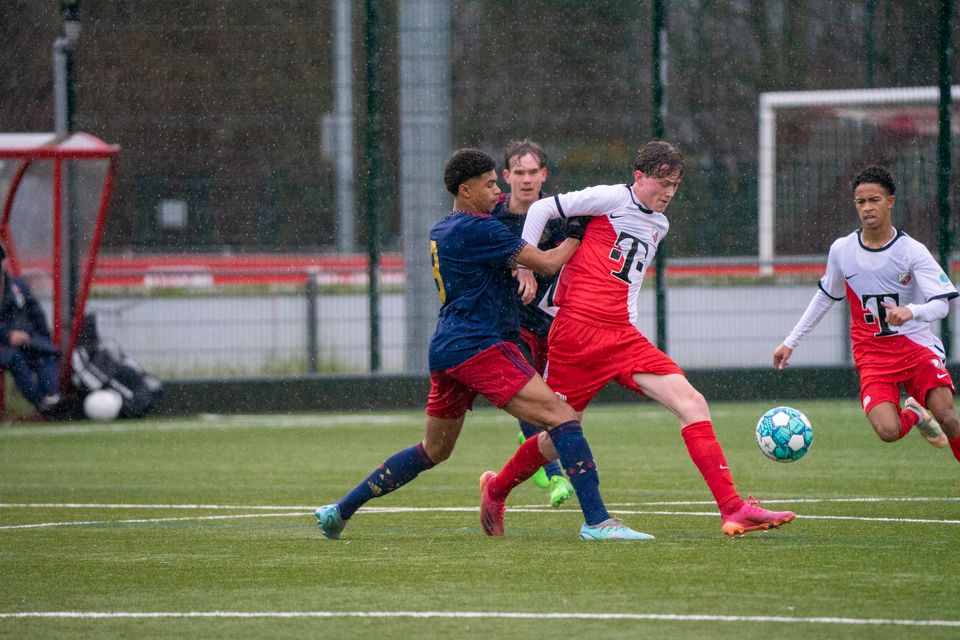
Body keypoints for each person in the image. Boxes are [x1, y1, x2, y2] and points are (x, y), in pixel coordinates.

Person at [315, 148, 652, 541]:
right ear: (466, 189)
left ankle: (339, 511)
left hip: (447, 347)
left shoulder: (443, 229)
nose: (497, 191)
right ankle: (597, 522)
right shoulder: (482, 229)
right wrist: (578, 232)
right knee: (562, 417)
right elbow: (545, 263)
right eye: (490, 184)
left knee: (433, 450)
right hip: (482, 346)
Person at [482, 140, 796, 538]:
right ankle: (496, 488)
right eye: (662, 182)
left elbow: (626, 282)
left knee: (692, 402)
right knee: (554, 436)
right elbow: (544, 207)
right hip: (576, 335)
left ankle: (733, 508)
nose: (668, 191)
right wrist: (525, 267)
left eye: (676, 185)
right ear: (639, 177)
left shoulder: (659, 224)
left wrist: (628, 325)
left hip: (621, 336)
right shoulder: (612, 197)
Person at [774, 165, 960, 465]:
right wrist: (791, 341)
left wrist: (910, 311)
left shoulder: (912, 251)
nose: (867, 208)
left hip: (916, 350)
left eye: (874, 199)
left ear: (890, 202)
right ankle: (914, 412)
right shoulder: (842, 250)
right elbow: (825, 297)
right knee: (888, 430)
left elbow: (943, 303)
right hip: (872, 354)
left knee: (948, 417)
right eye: (860, 202)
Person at [494, 139, 575, 508]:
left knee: (555, 402)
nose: (527, 180)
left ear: (543, 175)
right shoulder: (493, 217)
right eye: (519, 173)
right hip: (511, 324)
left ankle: (529, 455)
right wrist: (518, 263)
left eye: (533, 173)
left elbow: (569, 256)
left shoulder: (561, 215)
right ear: (507, 176)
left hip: (555, 325)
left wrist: (535, 261)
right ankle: (558, 477)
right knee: (531, 394)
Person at [0, 244, 61, 416]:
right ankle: (42, 405)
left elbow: (36, 313)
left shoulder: (18, 286)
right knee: (15, 359)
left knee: (46, 352)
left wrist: (42, 337)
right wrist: (7, 335)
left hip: (27, 339)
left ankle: (52, 399)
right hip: (5, 344)